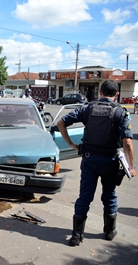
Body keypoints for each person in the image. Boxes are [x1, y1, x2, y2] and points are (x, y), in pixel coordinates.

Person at [57, 80, 136, 247]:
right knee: (110, 195)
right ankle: (109, 232)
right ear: (116, 95)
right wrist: (131, 166)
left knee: (85, 197)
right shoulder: (120, 112)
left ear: (100, 92)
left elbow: (60, 122)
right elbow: (127, 142)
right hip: (110, 161)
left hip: (89, 160)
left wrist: (71, 145)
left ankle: (77, 235)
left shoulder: (88, 108)